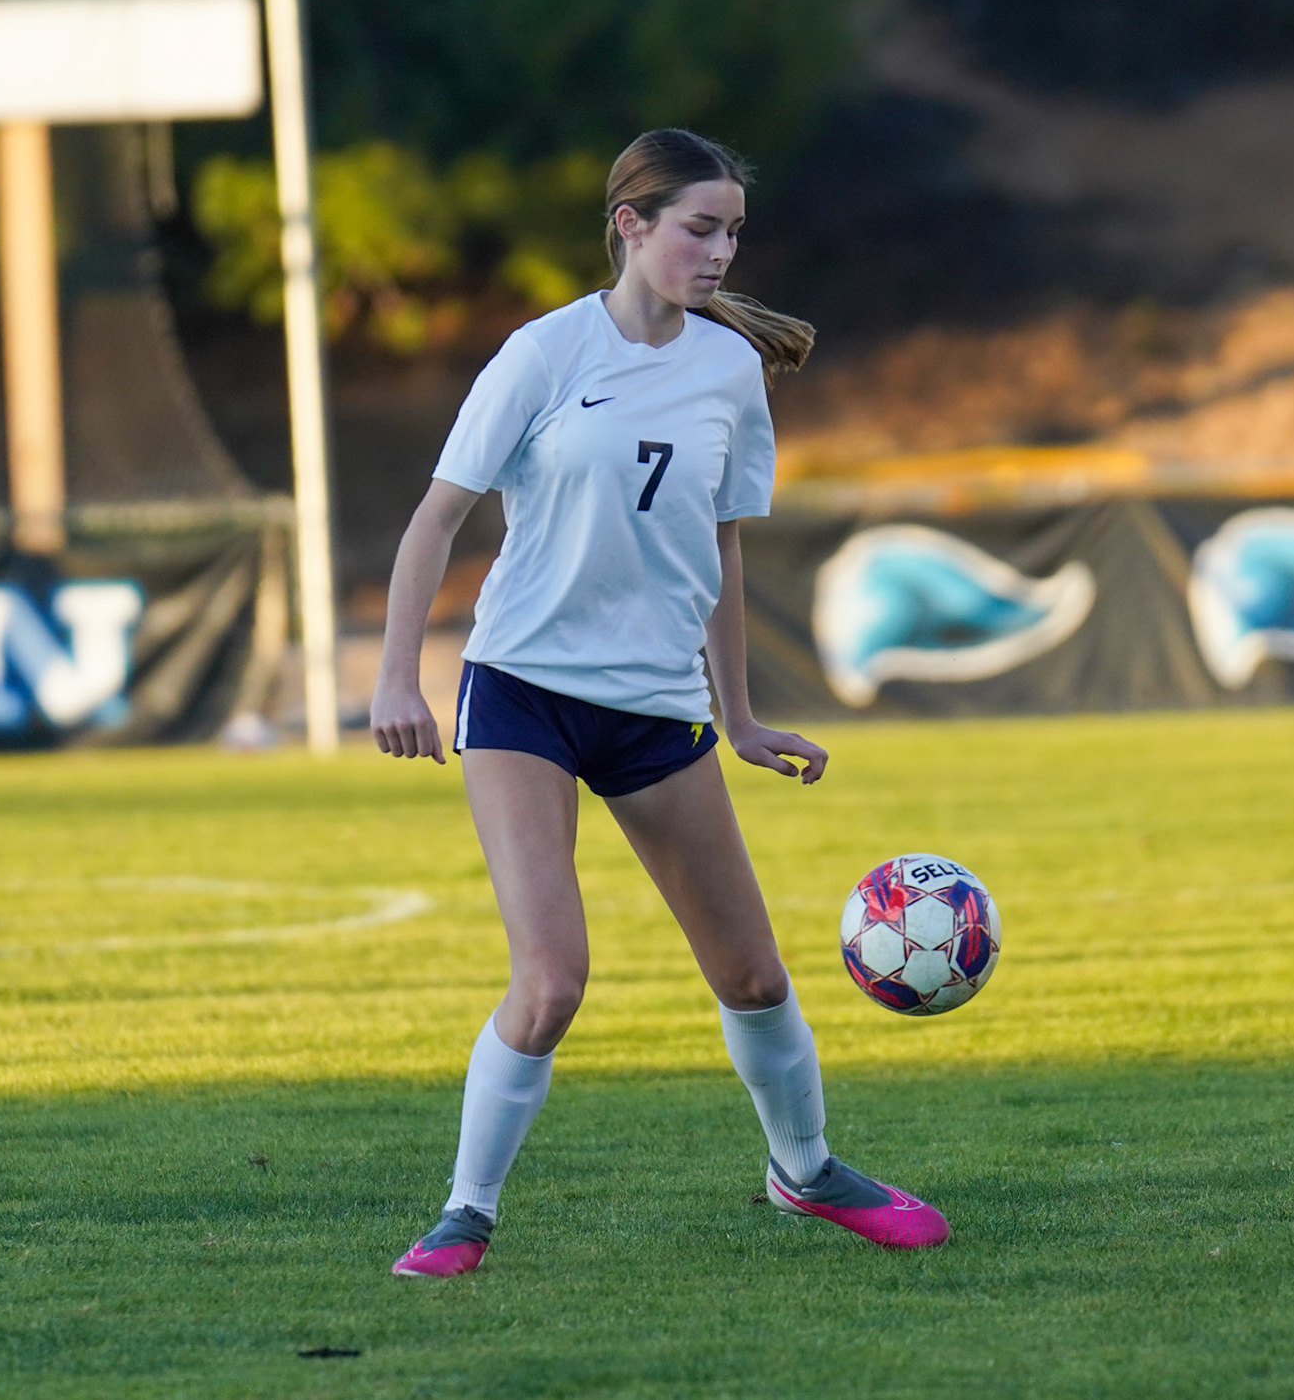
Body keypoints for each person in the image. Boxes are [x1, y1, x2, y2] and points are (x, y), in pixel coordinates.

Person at [369, 128, 950, 1277]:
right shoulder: (542, 353)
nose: (720, 251)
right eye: (700, 228)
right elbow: (436, 517)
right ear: (630, 226)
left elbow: (718, 552)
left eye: (733, 232)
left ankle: (806, 1170)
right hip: (524, 691)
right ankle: (465, 1212)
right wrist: (397, 676)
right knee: (552, 981)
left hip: (656, 705)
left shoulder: (730, 371)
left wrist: (739, 716)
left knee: (755, 978)